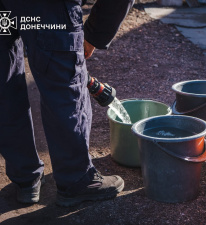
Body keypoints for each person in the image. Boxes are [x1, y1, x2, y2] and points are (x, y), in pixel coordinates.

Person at [0, 0, 134, 207]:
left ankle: (25, 177)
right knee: (63, 84)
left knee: (4, 84)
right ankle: (76, 180)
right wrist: (93, 36)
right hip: (46, 9)